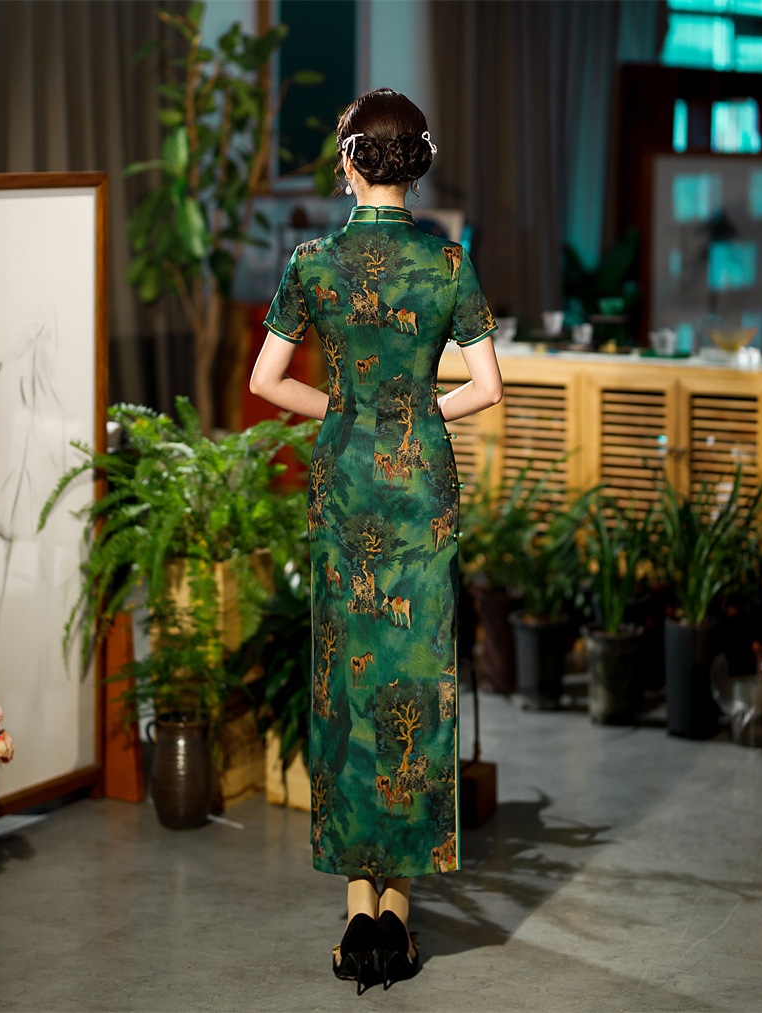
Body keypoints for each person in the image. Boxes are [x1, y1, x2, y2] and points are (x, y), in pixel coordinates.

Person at [250, 87, 503, 993]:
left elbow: (267, 380)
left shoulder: (313, 262)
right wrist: (414, 415)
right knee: (417, 682)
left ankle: (358, 907)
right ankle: (397, 911)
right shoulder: (449, 262)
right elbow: (487, 387)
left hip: (345, 477)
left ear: (352, 161)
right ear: (415, 164)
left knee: (346, 684)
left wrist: (345, 409)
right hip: (421, 485)